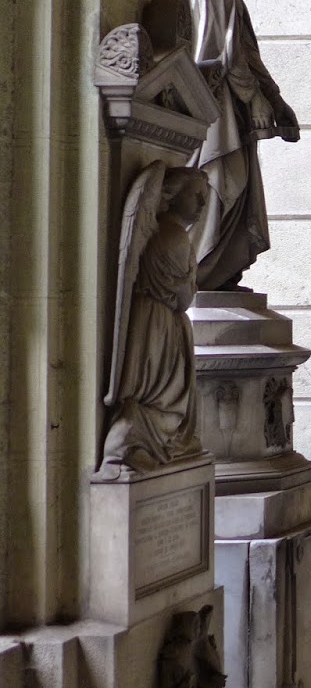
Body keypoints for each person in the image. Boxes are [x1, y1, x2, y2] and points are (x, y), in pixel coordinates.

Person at [187, 0, 300, 290]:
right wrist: (254, 97)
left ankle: (221, 269)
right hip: (215, 103)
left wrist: (275, 98)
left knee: (237, 182)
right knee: (220, 177)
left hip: (235, 104)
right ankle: (203, 267)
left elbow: (247, 53)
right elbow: (221, 54)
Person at [103, 166, 211, 471]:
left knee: (154, 393)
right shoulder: (175, 237)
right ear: (172, 196)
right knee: (158, 394)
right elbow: (185, 298)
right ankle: (132, 443)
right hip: (159, 324)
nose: (202, 204)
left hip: (153, 319)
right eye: (196, 195)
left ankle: (136, 443)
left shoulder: (164, 231)